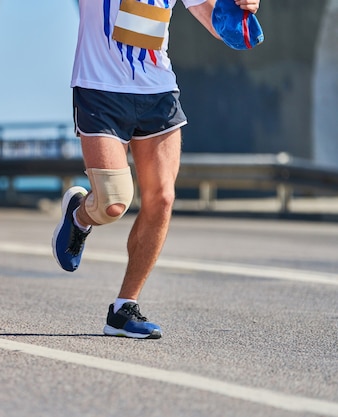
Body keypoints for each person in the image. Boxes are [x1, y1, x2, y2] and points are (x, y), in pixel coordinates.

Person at [52, 0, 260, 339]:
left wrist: (241, 10)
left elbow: (212, 15)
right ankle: (79, 216)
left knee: (162, 198)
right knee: (113, 202)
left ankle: (124, 308)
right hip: (99, 90)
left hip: (157, 90)